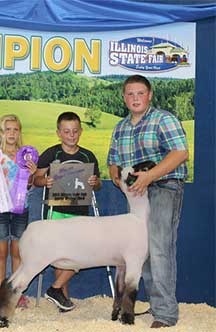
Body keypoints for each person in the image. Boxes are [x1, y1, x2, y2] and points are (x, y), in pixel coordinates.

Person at [107, 75, 188, 328]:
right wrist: (119, 180)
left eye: (140, 93)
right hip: (137, 194)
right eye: (130, 94)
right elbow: (113, 163)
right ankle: (156, 305)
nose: (135, 98)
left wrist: (150, 176)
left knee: (159, 246)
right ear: (124, 97)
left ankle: (165, 313)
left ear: (150, 94)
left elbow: (180, 152)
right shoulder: (120, 127)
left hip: (164, 186)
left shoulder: (164, 119)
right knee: (143, 250)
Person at [33, 111, 102, 311]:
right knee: (59, 256)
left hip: (80, 212)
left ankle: (55, 290)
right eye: (66, 132)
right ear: (59, 133)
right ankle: (63, 299)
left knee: (82, 253)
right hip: (56, 211)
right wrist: (44, 181)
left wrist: (95, 182)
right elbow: (35, 180)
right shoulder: (50, 153)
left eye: (74, 131)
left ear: (80, 131)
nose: (71, 135)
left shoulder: (88, 155)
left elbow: (96, 186)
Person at [0, 114, 37, 308]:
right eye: (8, 129)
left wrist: (31, 175)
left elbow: (29, 186)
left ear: (19, 132)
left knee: (17, 252)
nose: (12, 133)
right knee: (1, 251)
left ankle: (15, 292)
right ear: (1, 133)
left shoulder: (26, 157)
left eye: (15, 129)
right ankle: (0, 294)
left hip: (21, 210)